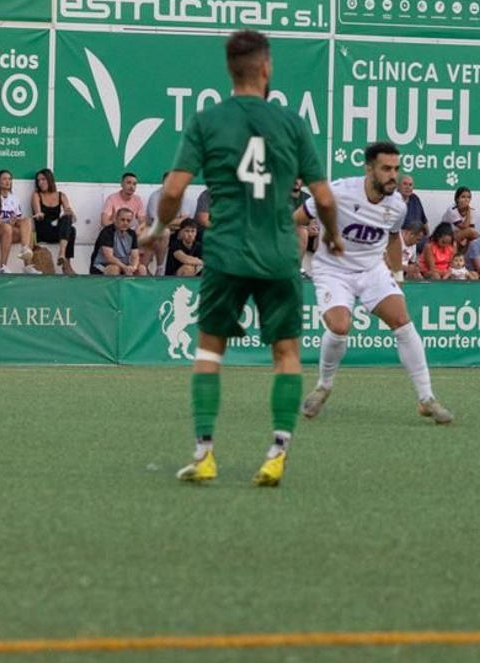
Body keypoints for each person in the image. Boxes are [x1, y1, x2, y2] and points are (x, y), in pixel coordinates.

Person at [140, 29, 343, 488]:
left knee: (210, 349)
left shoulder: (208, 121)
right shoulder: (291, 122)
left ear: (230, 71)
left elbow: (173, 190)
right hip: (277, 257)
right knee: (287, 354)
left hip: (226, 255)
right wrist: (331, 236)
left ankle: (205, 453)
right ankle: (277, 451)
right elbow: (325, 198)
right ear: (267, 68)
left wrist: (156, 228)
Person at [295, 142, 452, 426]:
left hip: (371, 270)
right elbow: (297, 217)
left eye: (396, 168)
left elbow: (393, 240)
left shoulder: (397, 206)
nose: (394, 175)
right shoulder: (338, 191)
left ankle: (427, 398)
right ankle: (324, 386)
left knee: (403, 321)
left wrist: (397, 276)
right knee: (340, 326)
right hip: (334, 270)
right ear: (369, 169)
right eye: (386, 169)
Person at [30, 168, 77, 275]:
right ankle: (65, 262)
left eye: (43, 179)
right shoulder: (36, 195)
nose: (41, 183)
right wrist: (39, 214)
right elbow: (38, 214)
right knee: (70, 229)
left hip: (57, 232)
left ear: (50, 180)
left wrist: (69, 213)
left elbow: (73, 219)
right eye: (38, 180)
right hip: (43, 230)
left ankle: (63, 257)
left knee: (71, 226)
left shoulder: (61, 195)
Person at [0, 169, 36, 273]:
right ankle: (3, 266)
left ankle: (27, 262)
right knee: (9, 228)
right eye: (4, 179)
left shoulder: (14, 198)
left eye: (10, 179)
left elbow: (18, 218)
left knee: (27, 222)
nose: (8, 181)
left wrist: (15, 220)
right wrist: (5, 222)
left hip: (11, 230)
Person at [91, 207, 148, 276]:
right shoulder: (107, 232)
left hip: (124, 265)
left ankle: (137, 287)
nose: (125, 223)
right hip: (102, 265)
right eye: (122, 220)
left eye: (128, 220)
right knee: (114, 269)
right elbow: (109, 257)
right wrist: (124, 267)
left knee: (141, 269)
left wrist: (134, 267)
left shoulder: (132, 234)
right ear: (116, 219)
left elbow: (135, 256)